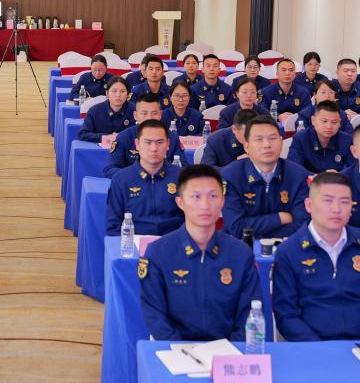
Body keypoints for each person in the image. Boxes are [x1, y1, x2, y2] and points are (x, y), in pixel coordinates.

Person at [139, 164, 259, 342]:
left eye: (213, 196)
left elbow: (249, 312)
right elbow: (154, 314)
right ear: (180, 202)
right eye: (196, 196)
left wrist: (232, 348)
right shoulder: (158, 253)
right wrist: (181, 349)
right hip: (175, 350)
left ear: (222, 201)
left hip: (229, 350)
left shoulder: (241, 254)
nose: (205, 205)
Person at [272, 172, 360, 341]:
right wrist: (320, 350)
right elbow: (287, 316)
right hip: (312, 348)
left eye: (344, 202)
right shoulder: (288, 251)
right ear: (308, 205)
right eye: (328, 201)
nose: (336, 209)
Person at [219, 116, 311, 239]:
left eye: (272, 138)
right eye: (259, 139)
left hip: (286, 244)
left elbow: (302, 225)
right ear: (246, 146)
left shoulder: (298, 175)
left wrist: (259, 232)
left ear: (281, 142)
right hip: (243, 245)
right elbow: (236, 227)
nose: (267, 145)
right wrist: (280, 218)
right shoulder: (230, 176)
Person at [105, 120, 184, 236]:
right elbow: (113, 226)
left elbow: (191, 221)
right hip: (133, 243)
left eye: (160, 142)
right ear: (137, 144)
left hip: (173, 243)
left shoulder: (182, 177)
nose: (154, 148)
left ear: (168, 144)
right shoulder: (121, 179)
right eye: (148, 142)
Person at [104, 94, 183, 178]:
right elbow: (110, 169)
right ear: (135, 115)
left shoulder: (172, 137)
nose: (149, 117)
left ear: (160, 114)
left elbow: (183, 168)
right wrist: (138, 176)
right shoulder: (124, 137)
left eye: (154, 113)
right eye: (144, 113)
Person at [288, 100, 355, 174]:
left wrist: (340, 175)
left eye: (334, 122)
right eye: (324, 121)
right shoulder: (300, 139)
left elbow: (354, 168)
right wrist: (319, 177)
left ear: (340, 123)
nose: (329, 126)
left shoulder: (347, 141)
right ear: (313, 120)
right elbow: (293, 169)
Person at [78, 77, 134, 143]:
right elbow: (83, 134)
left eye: (122, 91)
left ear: (128, 94)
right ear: (107, 93)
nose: (118, 95)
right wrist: (106, 137)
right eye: (114, 91)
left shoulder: (135, 109)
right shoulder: (95, 111)